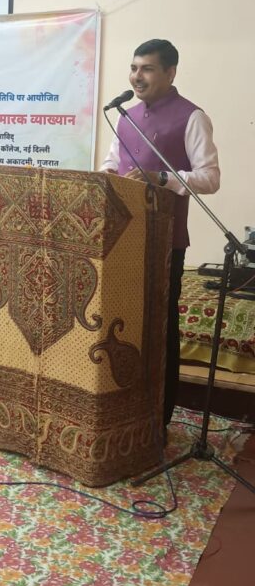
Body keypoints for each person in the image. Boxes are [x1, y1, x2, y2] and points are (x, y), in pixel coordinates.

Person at [100, 39, 220, 429]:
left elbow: (210, 178)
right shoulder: (125, 116)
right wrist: (105, 175)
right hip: (121, 241)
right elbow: (112, 164)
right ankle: (123, 409)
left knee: (159, 329)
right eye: (134, 68)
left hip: (165, 243)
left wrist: (162, 177)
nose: (137, 77)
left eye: (147, 69)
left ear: (170, 73)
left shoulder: (191, 116)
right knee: (122, 325)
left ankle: (158, 419)